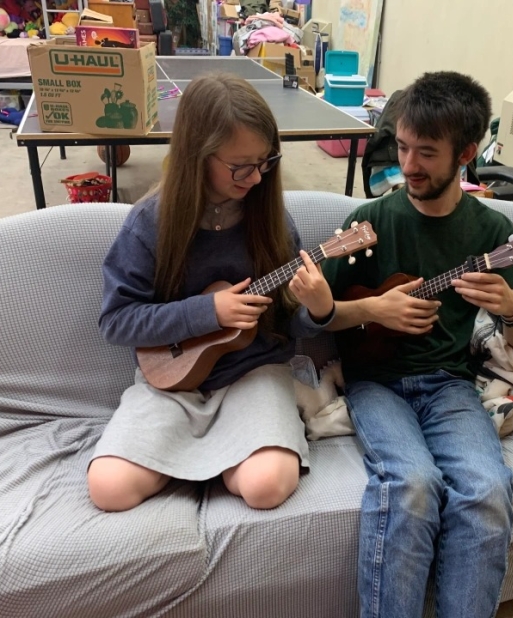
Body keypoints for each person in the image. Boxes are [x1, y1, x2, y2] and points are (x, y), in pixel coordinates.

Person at [322, 71, 513, 617]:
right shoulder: (368, 222)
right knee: (413, 486)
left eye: (427, 152)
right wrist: (372, 309)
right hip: (376, 382)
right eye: (401, 146)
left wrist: (511, 308)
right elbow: (316, 318)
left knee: (487, 491)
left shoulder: (493, 234)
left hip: (448, 385)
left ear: (466, 153)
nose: (409, 165)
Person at [87, 73, 335, 513]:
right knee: (109, 489)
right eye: (241, 166)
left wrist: (316, 311)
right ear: (197, 154)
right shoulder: (150, 224)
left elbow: (284, 323)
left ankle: (218, 456)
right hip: (172, 384)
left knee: (266, 486)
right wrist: (207, 312)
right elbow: (116, 320)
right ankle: (210, 455)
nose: (257, 179)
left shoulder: (272, 219)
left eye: (265, 162)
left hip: (253, 376)